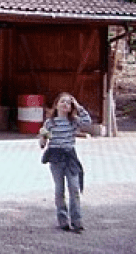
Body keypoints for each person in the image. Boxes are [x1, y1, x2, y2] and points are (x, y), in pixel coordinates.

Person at [39, 92, 93, 233]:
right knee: (59, 190)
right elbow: (43, 140)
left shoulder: (73, 121)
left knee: (74, 188)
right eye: (62, 101)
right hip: (56, 157)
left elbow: (87, 123)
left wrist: (79, 107)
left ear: (71, 107)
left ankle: (77, 221)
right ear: (56, 104)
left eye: (68, 103)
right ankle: (62, 220)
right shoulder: (50, 123)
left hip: (70, 157)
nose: (65, 104)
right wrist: (42, 140)